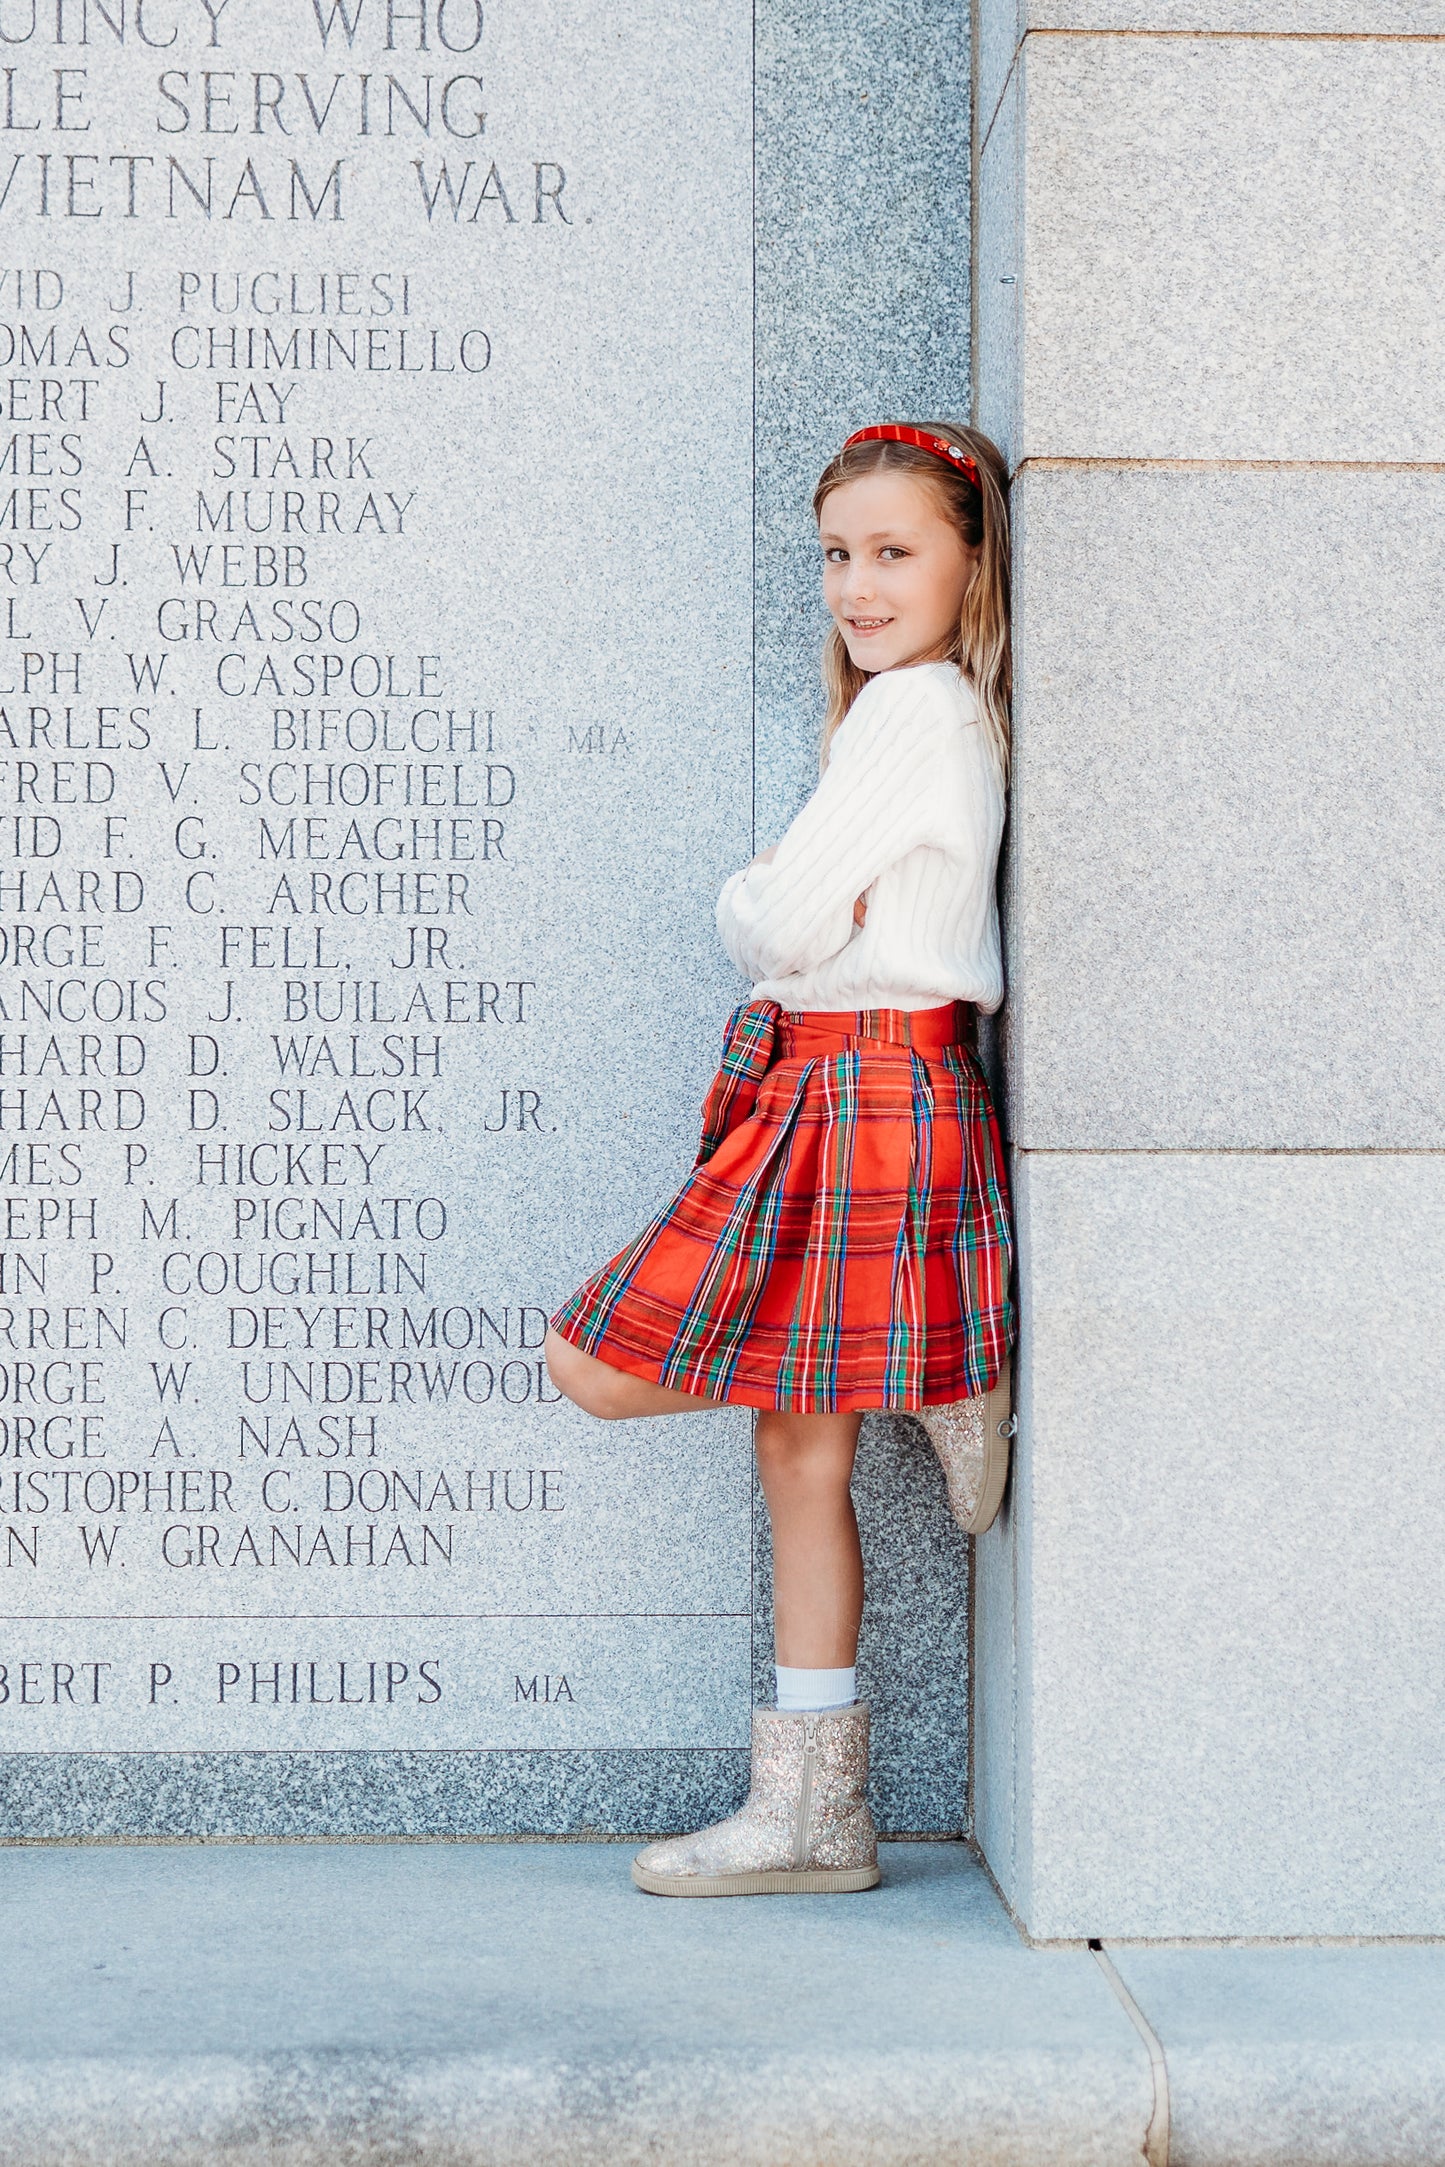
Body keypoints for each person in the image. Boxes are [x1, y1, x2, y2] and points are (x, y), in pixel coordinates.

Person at [545, 421, 1016, 1898]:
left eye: (895, 552)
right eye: (836, 555)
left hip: (864, 1078)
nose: (857, 587)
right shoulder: (903, 711)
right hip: (845, 1080)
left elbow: (777, 923)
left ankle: (931, 1362)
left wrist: (756, 893)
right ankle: (813, 1815)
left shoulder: (915, 711)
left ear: (968, 559)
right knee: (792, 1441)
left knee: (595, 1364)